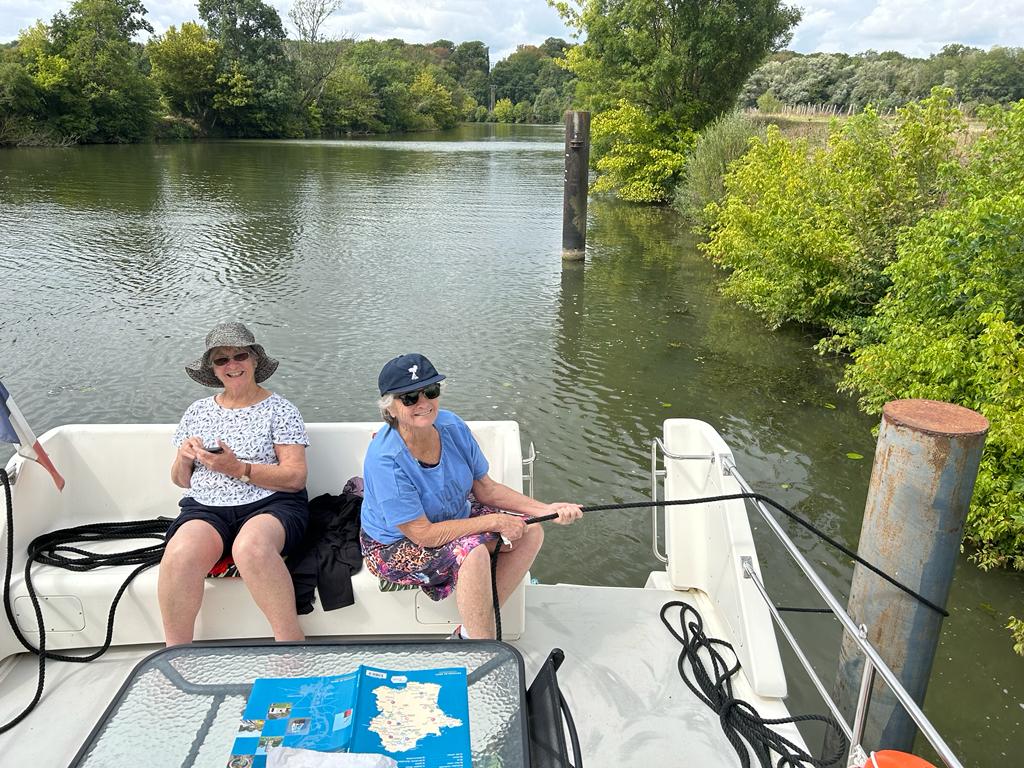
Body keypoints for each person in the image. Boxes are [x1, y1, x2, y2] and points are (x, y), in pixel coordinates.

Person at [361, 353, 582, 639]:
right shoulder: (386, 460)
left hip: (455, 516)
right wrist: (494, 522)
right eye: (410, 398)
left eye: (431, 391)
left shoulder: (452, 426)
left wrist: (546, 508)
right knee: (472, 551)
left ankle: (471, 630)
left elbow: (485, 489)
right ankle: (480, 645)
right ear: (389, 408)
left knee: (532, 531)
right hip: (395, 545)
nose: (424, 403)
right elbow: (423, 534)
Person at [159, 322, 310, 645]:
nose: (232, 365)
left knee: (251, 548)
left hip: (272, 502)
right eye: (221, 360)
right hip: (206, 508)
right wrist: (185, 459)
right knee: (180, 553)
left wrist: (238, 468)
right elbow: (180, 480)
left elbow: (295, 478)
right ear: (213, 370)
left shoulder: (280, 410)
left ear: (255, 359)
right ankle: (174, 653)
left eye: (239, 355)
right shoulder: (197, 412)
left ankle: (292, 646)